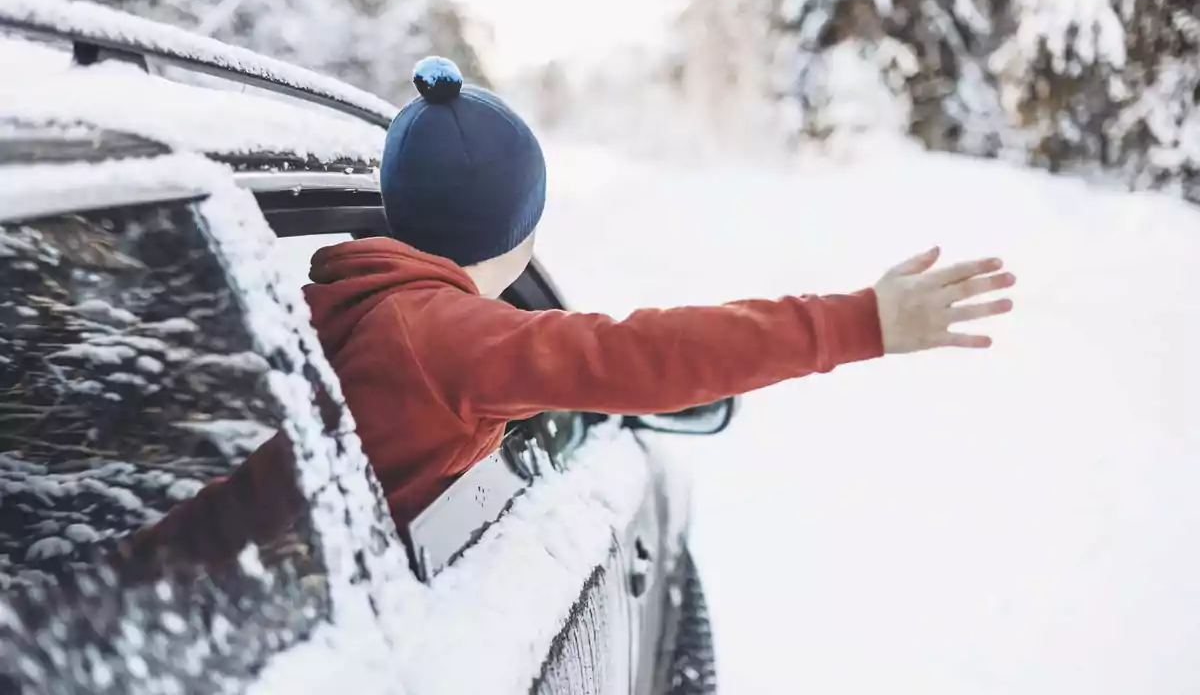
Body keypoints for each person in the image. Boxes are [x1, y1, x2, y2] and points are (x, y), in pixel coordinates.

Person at [121, 57, 1014, 574]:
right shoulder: (448, 337)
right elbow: (638, 356)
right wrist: (858, 324)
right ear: (511, 239)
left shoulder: (344, 302)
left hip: (180, 566)